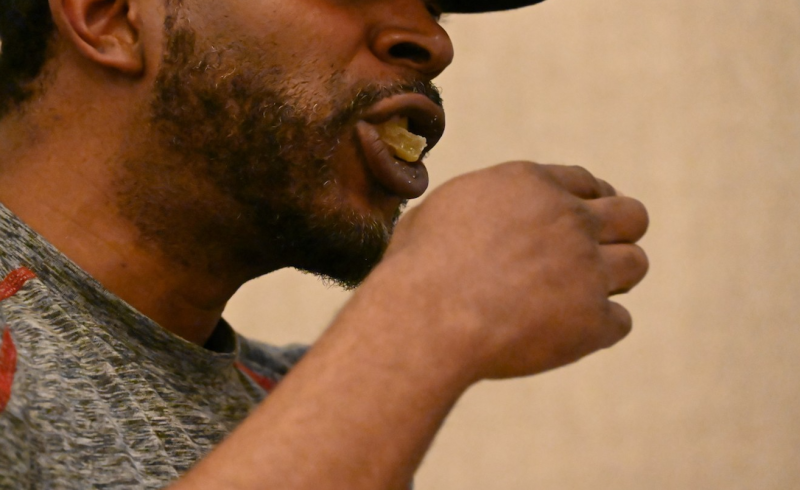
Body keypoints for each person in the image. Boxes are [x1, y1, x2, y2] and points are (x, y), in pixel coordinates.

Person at [0, 0, 649, 487]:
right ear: (109, 16)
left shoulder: (303, 402)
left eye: (434, 4)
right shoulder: (376, 376)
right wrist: (428, 316)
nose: (433, 41)